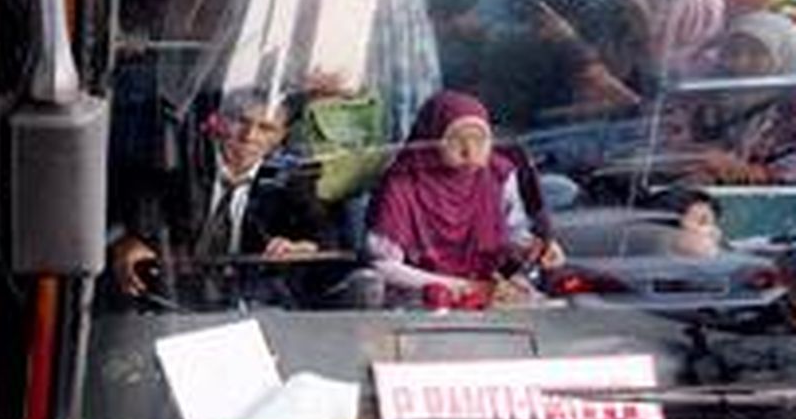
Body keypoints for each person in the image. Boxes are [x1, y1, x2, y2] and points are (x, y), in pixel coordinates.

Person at [109, 89, 333, 302]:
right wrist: (125, 244)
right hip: (172, 294)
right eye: (241, 122)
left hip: (248, 300)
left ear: (280, 137)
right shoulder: (175, 165)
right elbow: (123, 220)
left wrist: (304, 248)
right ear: (220, 122)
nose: (249, 136)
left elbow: (325, 235)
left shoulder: (289, 179)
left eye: (266, 128)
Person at [365, 91, 559, 306]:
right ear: (433, 137)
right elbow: (383, 266)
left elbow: (512, 232)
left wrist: (534, 248)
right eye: (458, 140)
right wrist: (462, 287)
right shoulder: (402, 184)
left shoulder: (497, 174)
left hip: (491, 299)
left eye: (480, 139)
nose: (470, 150)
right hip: (419, 306)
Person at [683, 11, 796, 185]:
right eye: (732, 52)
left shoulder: (790, 108)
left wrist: (746, 171)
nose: (740, 62)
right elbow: (670, 139)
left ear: (784, 53)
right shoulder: (707, 92)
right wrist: (700, 157)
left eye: (757, 53)